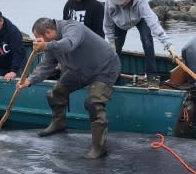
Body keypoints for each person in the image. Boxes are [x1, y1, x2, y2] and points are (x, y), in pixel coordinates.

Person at [18, 18, 120, 159]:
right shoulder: (50, 45)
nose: (37, 42)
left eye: (39, 39)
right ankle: (58, 123)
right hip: (80, 70)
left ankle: (99, 147)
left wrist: (47, 45)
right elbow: (46, 66)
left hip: (104, 69)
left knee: (93, 104)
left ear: (48, 32)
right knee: (56, 93)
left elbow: (69, 44)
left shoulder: (73, 28)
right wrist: (29, 81)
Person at [103, 0, 178, 85]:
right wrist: (111, 41)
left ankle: (152, 76)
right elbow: (107, 23)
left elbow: (152, 21)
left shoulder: (140, 0)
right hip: (119, 23)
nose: (118, 3)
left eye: (122, 1)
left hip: (139, 19)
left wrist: (168, 44)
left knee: (147, 41)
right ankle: (115, 79)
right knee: (115, 51)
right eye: (117, 0)